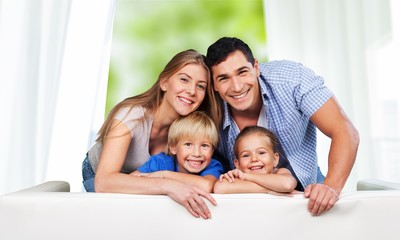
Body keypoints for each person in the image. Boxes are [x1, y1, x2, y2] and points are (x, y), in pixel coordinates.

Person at [206, 37, 359, 216]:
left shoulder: (291, 79)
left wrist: (331, 187)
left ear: (256, 67)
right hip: (244, 197)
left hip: (306, 190)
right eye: (223, 78)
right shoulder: (207, 106)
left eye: (242, 72)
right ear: (214, 84)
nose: (237, 86)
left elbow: (344, 130)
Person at [82, 49, 220, 219]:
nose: (192, 91)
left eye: (200, 86)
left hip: (145, 176)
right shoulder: (132, 115)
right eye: (184, 79)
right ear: (164, 83)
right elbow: (104, 183)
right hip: (99, 174)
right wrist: (168, 185)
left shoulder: (189, 129)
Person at [132, 111, 224, 193]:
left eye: (204, 146)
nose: (196, 153)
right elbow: (131, 181)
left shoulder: (213, 166)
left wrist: (164, 175)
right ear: (173, 148)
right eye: (188, 144)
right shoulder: (160, 162)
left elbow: (206, 186)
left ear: (212, 150)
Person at [213, 126, 297, 194]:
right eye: (246, 155)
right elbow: (219, 187)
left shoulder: (280, 172)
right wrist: (274, 189)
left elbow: (287, 185)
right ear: (237, 164)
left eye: (261, 153)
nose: (254, 159)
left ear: (275, 159)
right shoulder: (235, 176)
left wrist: (246, 176)